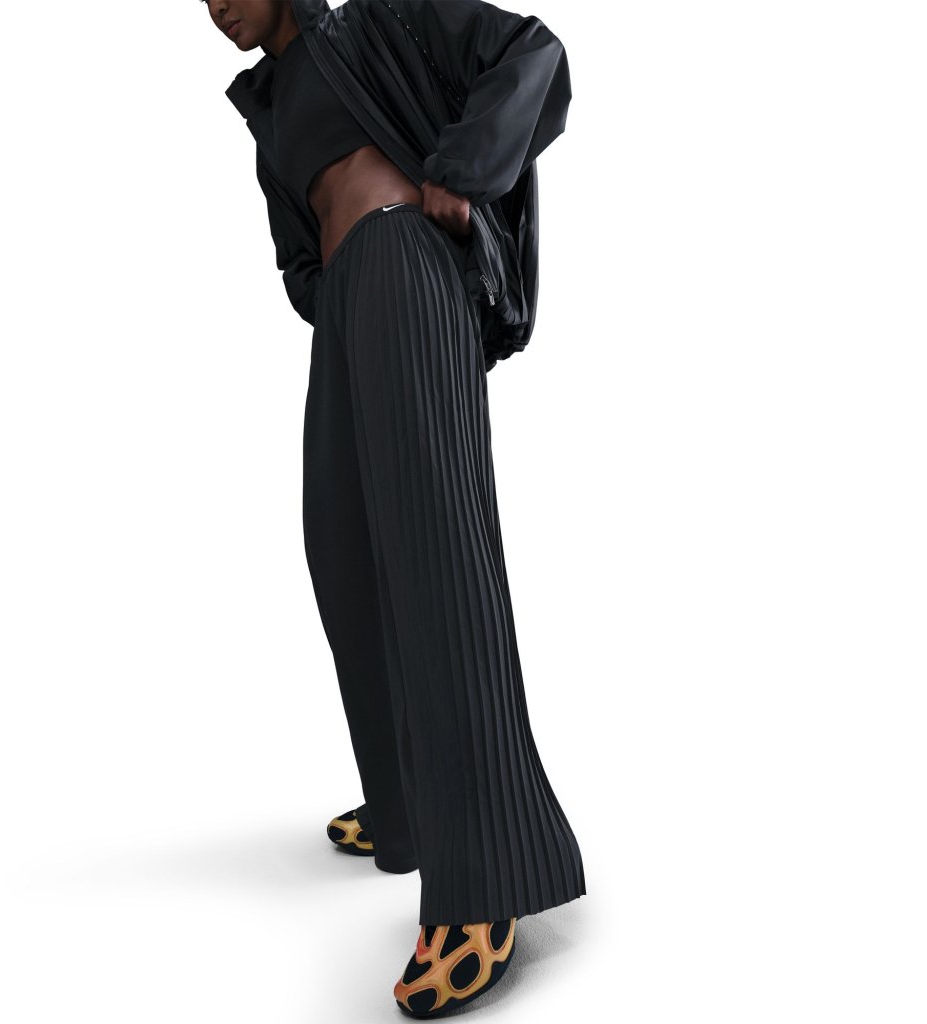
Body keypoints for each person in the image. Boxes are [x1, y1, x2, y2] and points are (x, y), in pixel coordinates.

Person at [203, 0, 585, 1016]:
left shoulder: (378, 23)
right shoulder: (269, 110)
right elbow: (297, 254)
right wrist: (324, 284)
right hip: (348, 302)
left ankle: (485, 880)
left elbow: (534, 55)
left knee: (433, 551)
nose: (214, 9)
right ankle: (409, 805)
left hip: (404, 262)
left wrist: (461, 173)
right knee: (343, 549)